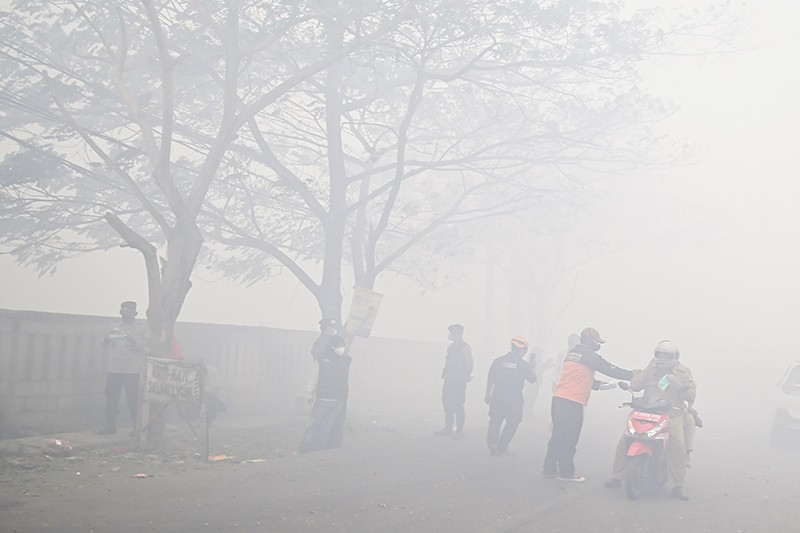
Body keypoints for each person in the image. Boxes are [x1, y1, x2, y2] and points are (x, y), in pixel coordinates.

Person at [604, 340, 697, 500]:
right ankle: (617, 476)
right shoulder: (650, 370)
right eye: (659, 355)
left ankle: (677, 486)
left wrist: (676, 382)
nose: (661, 358)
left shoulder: (683, 372)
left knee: (677, 445)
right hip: (646, 412)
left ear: (674, 357)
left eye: (665, 356)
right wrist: (648, 367)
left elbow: (691, 396)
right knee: (624, 441)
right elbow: (634, 386)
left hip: (671, 414)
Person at [542, 327, 635, 481]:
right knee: (570, 438)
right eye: (597, 342)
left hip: (559, 399)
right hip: (572, 402)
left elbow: (580, 378)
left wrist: (604, 385)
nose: (598, 345)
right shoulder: (589, 356)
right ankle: (566, 473)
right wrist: (633, 375)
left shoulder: (572, 354)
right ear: (589, 341)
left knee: (557, 436)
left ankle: (549, 467)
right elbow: (611, 370)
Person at [99, 301, 147, 435]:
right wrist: (107, 339)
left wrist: (134, 341)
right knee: (111, 398)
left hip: (132, 370)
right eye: (124, 310)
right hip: (114, 368)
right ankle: (110, 426)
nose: (126, 313)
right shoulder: (114, 327)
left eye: (130, 311)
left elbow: (146, 346)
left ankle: (136, 426)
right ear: (120, 312)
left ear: (135, 313)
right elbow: (102, 342)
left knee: (133, 399)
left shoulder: (141, 328)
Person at [297, 335, 352, 453]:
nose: (342, 348)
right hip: (326, 398)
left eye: (343, 346)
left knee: (335, 426)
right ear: (332, 347)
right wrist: (310, 394)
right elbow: (314, 379)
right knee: (317, 425)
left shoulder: (343, 360)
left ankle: (329, 450)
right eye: (340, 346)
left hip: (339, 399)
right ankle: (306, 450)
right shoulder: (322, 360)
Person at [484, 336, 536, 455]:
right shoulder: (524, 365)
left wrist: (487, 394)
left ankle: (492, 444)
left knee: (495, 420)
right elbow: (532, 379)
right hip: (514, 399)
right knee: (513, 422)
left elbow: (490, 379)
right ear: (523, 350)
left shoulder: (498, 361)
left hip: (497, 396)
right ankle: (502, 445)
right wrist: (532, 365)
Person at [434, 324, 474, 438]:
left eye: (453, 333)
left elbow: (469, 363)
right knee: (447, 403)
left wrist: (465, 376)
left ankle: (459, 431)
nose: (451, 335)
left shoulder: (464, 347)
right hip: (449, 379)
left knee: (458, 405)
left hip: (458, 381)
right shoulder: (451, 347)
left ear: (458, 334)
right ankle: (448, 428)